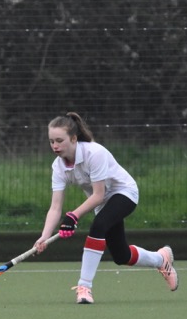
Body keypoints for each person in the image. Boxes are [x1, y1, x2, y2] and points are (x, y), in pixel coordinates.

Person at [34, 112, 179, 304]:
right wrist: (44, 236)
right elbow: (55, 207)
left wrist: (74, 216)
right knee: (121, 255)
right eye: (52, 141)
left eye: (60, 141)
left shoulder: (94, 153)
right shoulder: (58, 167)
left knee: (98, 226)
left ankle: (84, 287)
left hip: (124, 192)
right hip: (102, 202)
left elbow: (98, 194)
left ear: (74, 139)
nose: (55, 146)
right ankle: (161, 259)